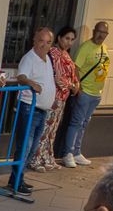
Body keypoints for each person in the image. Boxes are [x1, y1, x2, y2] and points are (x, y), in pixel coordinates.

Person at [61, 21, 110, 168]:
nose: (101, 35)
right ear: (94, 31)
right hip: (85, 91)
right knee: (76, 122)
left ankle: (76, 151)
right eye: (98, 31)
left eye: (104, 33)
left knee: (84, 123)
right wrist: (78, 87)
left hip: (96, 93)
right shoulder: (86, 47)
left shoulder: (104, 48)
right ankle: (67, 152)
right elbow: (76, 68)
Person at [12, 26, 58, 183]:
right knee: (25, 145)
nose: (44, 45)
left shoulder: (47, 59)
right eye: (41, 41)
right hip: (29, 108)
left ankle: (19, 178)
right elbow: (21, 76)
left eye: (48, 42)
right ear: (34, 40)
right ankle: (16, 179)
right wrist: (32, 83)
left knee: (32, 148)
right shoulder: (29, 58)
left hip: (42, 109)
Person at [32, 27, 80, 172]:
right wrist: (71, 86)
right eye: (66, 38)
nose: (69, 42)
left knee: (52, 130)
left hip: (62, 98)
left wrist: (75, 84)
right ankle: (35, 158)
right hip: (53, 96)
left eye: (72, 40)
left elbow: (71, 73)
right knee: (45, 129)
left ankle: (47, 157)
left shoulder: (66, 55)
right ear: (59, 38)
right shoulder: (53, 53)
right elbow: (57, 76)